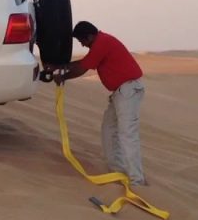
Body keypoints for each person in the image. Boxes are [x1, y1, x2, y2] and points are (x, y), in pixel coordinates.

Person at [46, 22, 147, 185]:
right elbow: (83, 62)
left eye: (82, 41)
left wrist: (63, 76)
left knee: (127, 134)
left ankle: (137, 179)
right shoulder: (100, 43)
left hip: (128, 91)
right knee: (108, 131)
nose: (82, 44)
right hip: (120, 94)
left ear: (89, 36)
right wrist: (59, 67)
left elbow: (83, 68)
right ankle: (117, 172)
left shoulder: (102, 43)